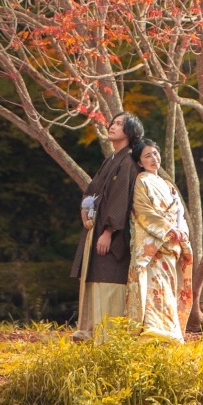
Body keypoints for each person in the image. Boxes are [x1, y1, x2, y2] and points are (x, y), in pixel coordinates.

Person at [70, 111, 144, 341]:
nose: (112, 126)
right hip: (97, 226)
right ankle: (89, 332)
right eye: (113, 122)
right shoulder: (112, 159)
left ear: (130, 132)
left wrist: (109, 232)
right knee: (94, 278)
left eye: (119, 124)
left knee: (109, 279)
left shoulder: (129, 161)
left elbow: (120, 198)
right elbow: (93, 189)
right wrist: (85, 208)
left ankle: (108, 339)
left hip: (112, 235)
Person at [125, 138, 193, 342]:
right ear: (139, 162)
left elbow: (180, 212)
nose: (154, 158)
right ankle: (152, 332)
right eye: (147, 156)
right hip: (155, 245)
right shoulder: (141, 181)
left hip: (172, 244)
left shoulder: (168, 185)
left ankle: (170, 332)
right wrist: (168, 229)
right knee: (153, 288)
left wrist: (180, 231)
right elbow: (143, 211)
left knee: (170, 288)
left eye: (155, 153)